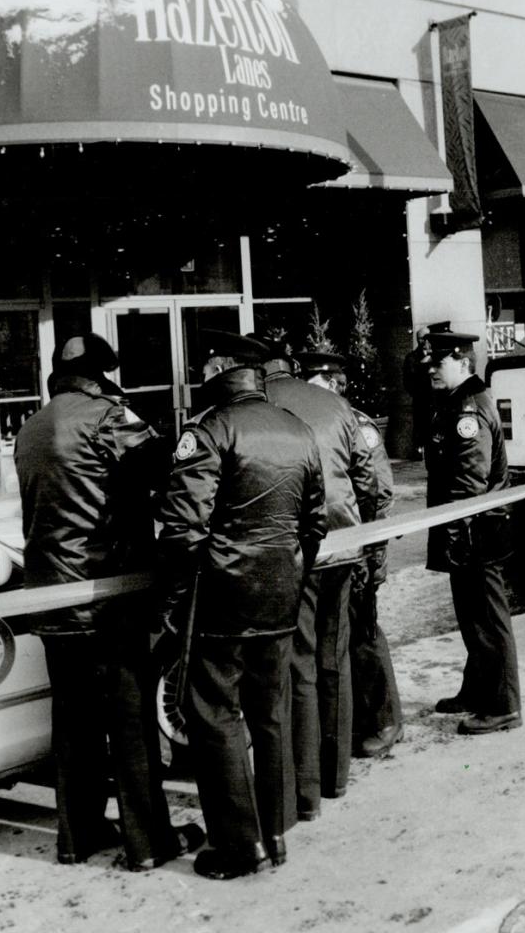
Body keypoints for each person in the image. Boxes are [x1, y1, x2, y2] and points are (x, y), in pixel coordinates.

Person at [14, 333, 202, 872]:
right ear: (102, 376)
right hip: (108, 596)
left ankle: (77, 837)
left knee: (72, 724)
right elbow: (171, 470)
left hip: (51, 596)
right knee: (131, 723)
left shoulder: (30, 427)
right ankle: (148, 843)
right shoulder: (108, 418)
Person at [156, 330, 325, 880]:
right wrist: (289, 577)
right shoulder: (297, 429)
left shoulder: (208, 430)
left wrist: (178, 602)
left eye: (208, 362)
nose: (202, 370)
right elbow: (314, 524)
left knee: (216, 717)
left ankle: (238, 846)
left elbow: (183, 531)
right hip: (280, 595)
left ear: (226, 368)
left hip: (223, 599)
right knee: (269, 712)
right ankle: (275, 833)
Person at [262, 345, 388, 816]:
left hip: (296, 551)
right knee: (335, 658)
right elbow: (369, 480)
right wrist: (366, 537)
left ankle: (306, 789)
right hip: (343, 544)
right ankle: (336, 778)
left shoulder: (260, 404)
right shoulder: (336, 405)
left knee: (299, 665)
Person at [296, 351, 402, 758]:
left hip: (356, 546)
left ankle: (385, 720)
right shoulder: (317, 419)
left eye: (313, 379)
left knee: (364, 632)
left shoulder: (355, 422)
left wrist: (371, 552)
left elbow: (379, 490)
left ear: (331, 382)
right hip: (332, 547)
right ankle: (354, 721)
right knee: (337, 639)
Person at [422, 329, 522, 736]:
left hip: (477, 530)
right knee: (471, 615)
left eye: (439, 361)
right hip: (467, 530)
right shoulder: (455, 401)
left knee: (487, 618)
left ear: (463, 361)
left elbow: (470, 480)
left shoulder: (468, 409)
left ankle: (503, 705)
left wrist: (452, 533)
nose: (431, 367)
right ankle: (478, 689)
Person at [402, 321, 450, 456]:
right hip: (422, 399)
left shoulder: (436, 355)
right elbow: (409, 379)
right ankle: (420, 449)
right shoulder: (412, 357)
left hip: (436, 399)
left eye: (426, 339)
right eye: (421, 339)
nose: (424, 342)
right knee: (422, 426)